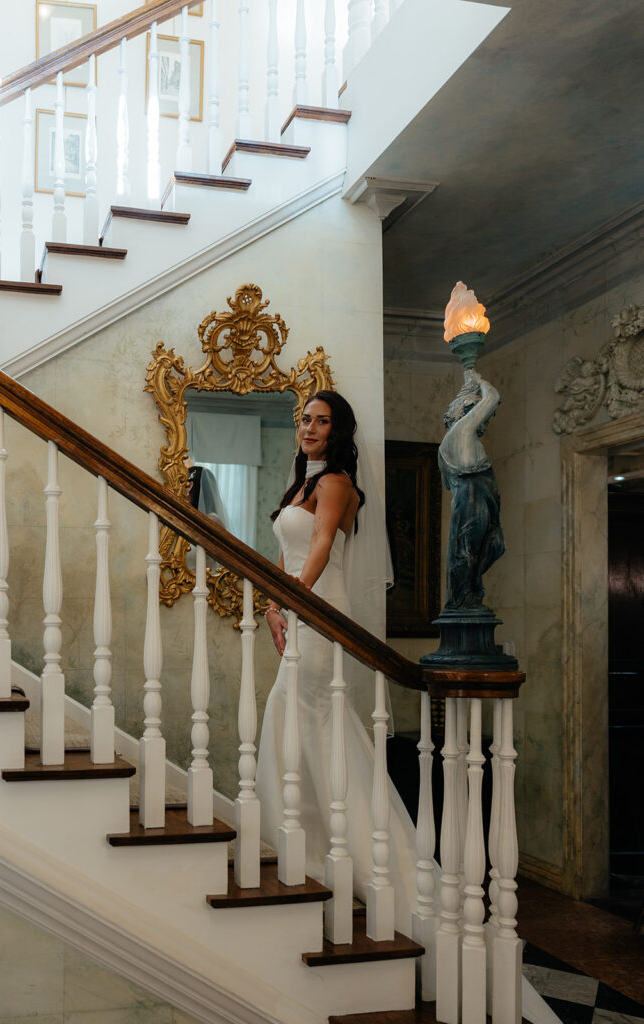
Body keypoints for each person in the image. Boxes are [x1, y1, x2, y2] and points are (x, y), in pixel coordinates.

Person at [255, 391, 422, 936]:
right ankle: (310, 850)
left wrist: (298, 602)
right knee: (300, 723)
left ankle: (353, 858)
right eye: (305, 418)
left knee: (312, 722)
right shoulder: (301, 483)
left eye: (321, 422)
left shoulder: (335, 484)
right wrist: (273, 605)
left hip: (326, 613)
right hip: (302, 606)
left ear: (338, 432)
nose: (308, 428)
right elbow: (288, 551)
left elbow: (323, 544)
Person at [438, 368, 504, 609]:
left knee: (470, 553)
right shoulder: (462, 432)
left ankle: (466, 597)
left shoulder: (453, 443)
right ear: (465, 411)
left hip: (472, 502)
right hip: (472, 502)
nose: (486, 419)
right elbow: (492, 397)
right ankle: (465, 600)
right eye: (481, 414)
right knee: (468, 553)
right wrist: (478, 380)